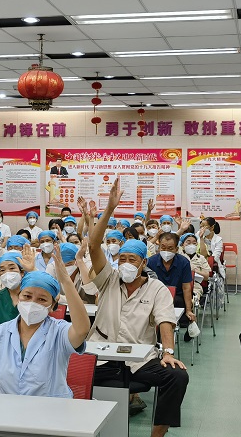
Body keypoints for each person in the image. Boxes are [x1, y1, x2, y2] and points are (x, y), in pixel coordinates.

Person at [88, 179, 189, 437]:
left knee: (177, 376)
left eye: (131, 259)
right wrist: (109, 209)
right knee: (68, 369)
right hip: (102, 356)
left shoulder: (156, 288)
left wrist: (168, 352)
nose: (125, 264)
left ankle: (157, 433)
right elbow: (93, 245)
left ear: (144, 263)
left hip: (139, 360)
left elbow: (166, 320)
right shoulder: (109, 279)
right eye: (122, 259)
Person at [0, 262, 91, 397]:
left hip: (52, 408)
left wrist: (66, 281)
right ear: (18, 297)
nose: (32, 303)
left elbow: (81, 330)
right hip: (8, 408)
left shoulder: (59, 332)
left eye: (42, 299)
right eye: (27, 296)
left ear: (52, 306)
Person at [146, 232, 195, 337]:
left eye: (170, 248)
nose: (166, 251)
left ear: (176, 249)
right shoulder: (151, 262)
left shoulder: (184, 262)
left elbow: (186, 288)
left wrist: (189, 310)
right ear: (159, 247)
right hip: (155, 298)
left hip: (177, 298)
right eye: (163, 248)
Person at [0, 248, 36, 330]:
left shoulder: (33, 296)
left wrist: (32, 270)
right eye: (2, 270)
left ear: (22, 272)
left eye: (12, 268)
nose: (7, 273)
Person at [180, 232, 210, 298]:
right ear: (182, 244)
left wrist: (195, 271)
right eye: (188, 242)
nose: (191, 245)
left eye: (194, 243)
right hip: (179, 283)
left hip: (195, 285)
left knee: (193, 297)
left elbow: (206, 276)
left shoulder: (201, 258)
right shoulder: (179, 256)